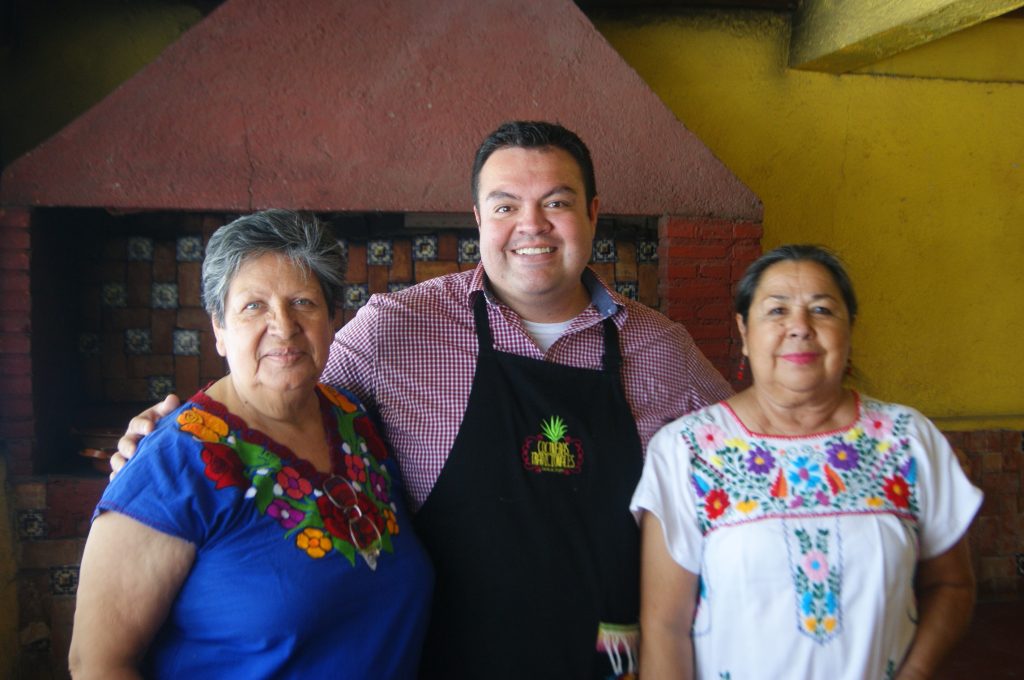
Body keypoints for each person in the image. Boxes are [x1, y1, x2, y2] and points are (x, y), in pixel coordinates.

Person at [114, 121, 733, 678]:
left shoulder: (664, 350)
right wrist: (177, 432)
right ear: (479, 218)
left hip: (607, 661)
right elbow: (281, 386)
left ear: (593, 214)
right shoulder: (398, 327)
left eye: (557, 202)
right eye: (506, 205)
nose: (532, 225)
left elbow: (750, 452)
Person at [70, 211, 433, 679]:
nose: (283, 326)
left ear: (331, 320)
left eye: (303, 302)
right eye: (253, 306)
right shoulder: (173, 462)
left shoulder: (355, 421)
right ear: (219, 330)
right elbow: (97, 664)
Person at [632, 244, 982, 679]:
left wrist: (915, 672)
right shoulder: (687, 450)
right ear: (744, 331)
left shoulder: (906, 440)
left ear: (849, 327)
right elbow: (665, 627)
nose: (800, 327)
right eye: (777, 310)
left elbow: (951, 584)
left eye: (822, 310)